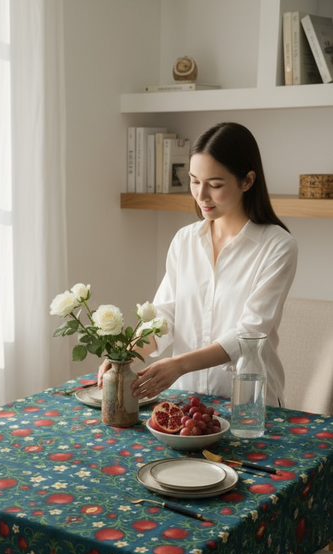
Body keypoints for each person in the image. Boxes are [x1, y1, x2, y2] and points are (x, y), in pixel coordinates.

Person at [99, 121, 298, 406]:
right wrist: (126, 354)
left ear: (247, 181)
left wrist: (178, 364)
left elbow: (250, 334)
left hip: (248, 403)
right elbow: (164, 316)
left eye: (215, 185)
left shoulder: (277, 246)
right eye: (194, 181)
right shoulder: (185, 240)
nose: (201, 195)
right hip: (187, 399)